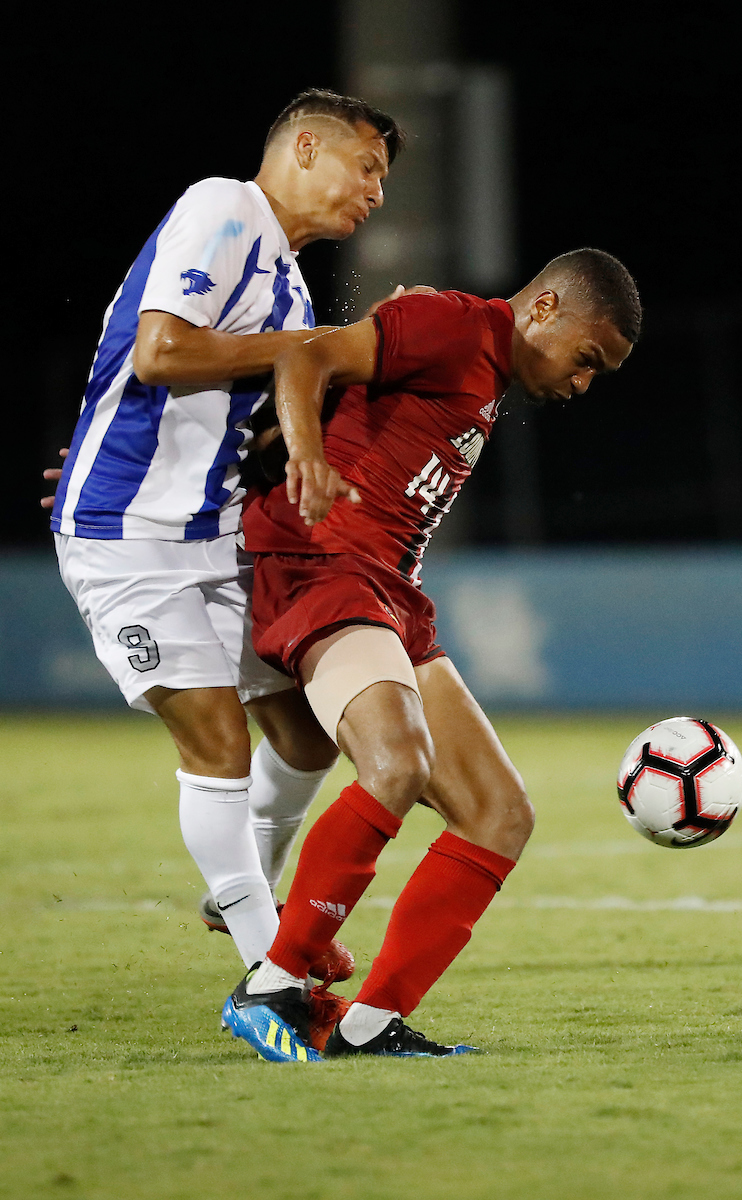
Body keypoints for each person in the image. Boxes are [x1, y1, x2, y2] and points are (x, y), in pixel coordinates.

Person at [47, 89, 406, 1046]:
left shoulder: (290, 288)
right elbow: (161, 352)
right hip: (128, 536)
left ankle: (239, 891)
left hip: (210, 537)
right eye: (367, 167)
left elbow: (229, 416)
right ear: (305, 147)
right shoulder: (224, 207)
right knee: (218, 742)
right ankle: (268, 976)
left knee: (307, 735)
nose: (375, 192)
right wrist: (315, 352)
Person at [221, 248, 641, 1061]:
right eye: (587, 357)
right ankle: (271, 984)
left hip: (388, 595)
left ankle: (367, 1024)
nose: (584, 382)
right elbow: (307, 357)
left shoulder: (482, 370)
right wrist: (306, 456)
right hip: (325, 566)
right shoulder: (453, 324)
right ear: (544, 308)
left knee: (500, 814)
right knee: (397, 763)